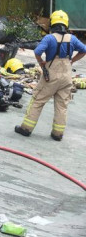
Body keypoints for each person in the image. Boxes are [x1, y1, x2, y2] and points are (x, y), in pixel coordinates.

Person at [14, 10, 86, 141]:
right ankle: (57, 134)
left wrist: (41, 63)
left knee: (38, 100)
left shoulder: (49, 38)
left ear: (52, 23)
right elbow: (84, 50)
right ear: (66, 24)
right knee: (62, 105)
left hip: (51, 75)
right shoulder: (73, 39)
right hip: (66, 76)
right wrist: (72, 61)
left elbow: (37, 51)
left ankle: (26, 128)